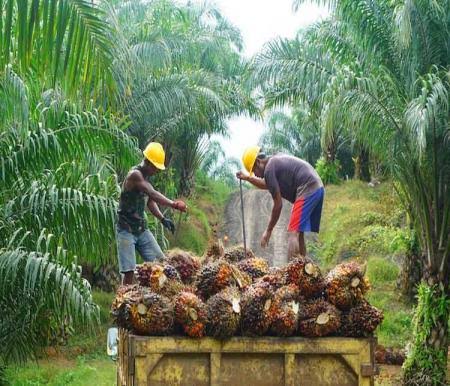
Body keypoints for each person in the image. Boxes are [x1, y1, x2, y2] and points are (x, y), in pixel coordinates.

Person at [117, 142, 187, 284]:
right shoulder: (135, 175)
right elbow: (152, 193)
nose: (157, 171)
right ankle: (123, 303)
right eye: (156, 168)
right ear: (149, 163)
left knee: (160, 264)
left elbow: (150, 201)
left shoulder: (145, 177)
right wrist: (173, 204)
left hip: (141, 229)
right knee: (129, 273)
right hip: (125, 230)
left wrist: (162, 219)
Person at [236, 146, 324, 260]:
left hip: (308, 188)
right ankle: (304, 270)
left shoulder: (269, 169)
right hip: (317, 188)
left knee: (293, 232)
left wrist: (268, 230)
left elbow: (278, 205)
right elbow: (268, 185)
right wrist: (248, 178)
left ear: (258, 162)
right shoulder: (273, 163)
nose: (255, 174)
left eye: (254, 170)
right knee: (299, 232)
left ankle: (292, 274)